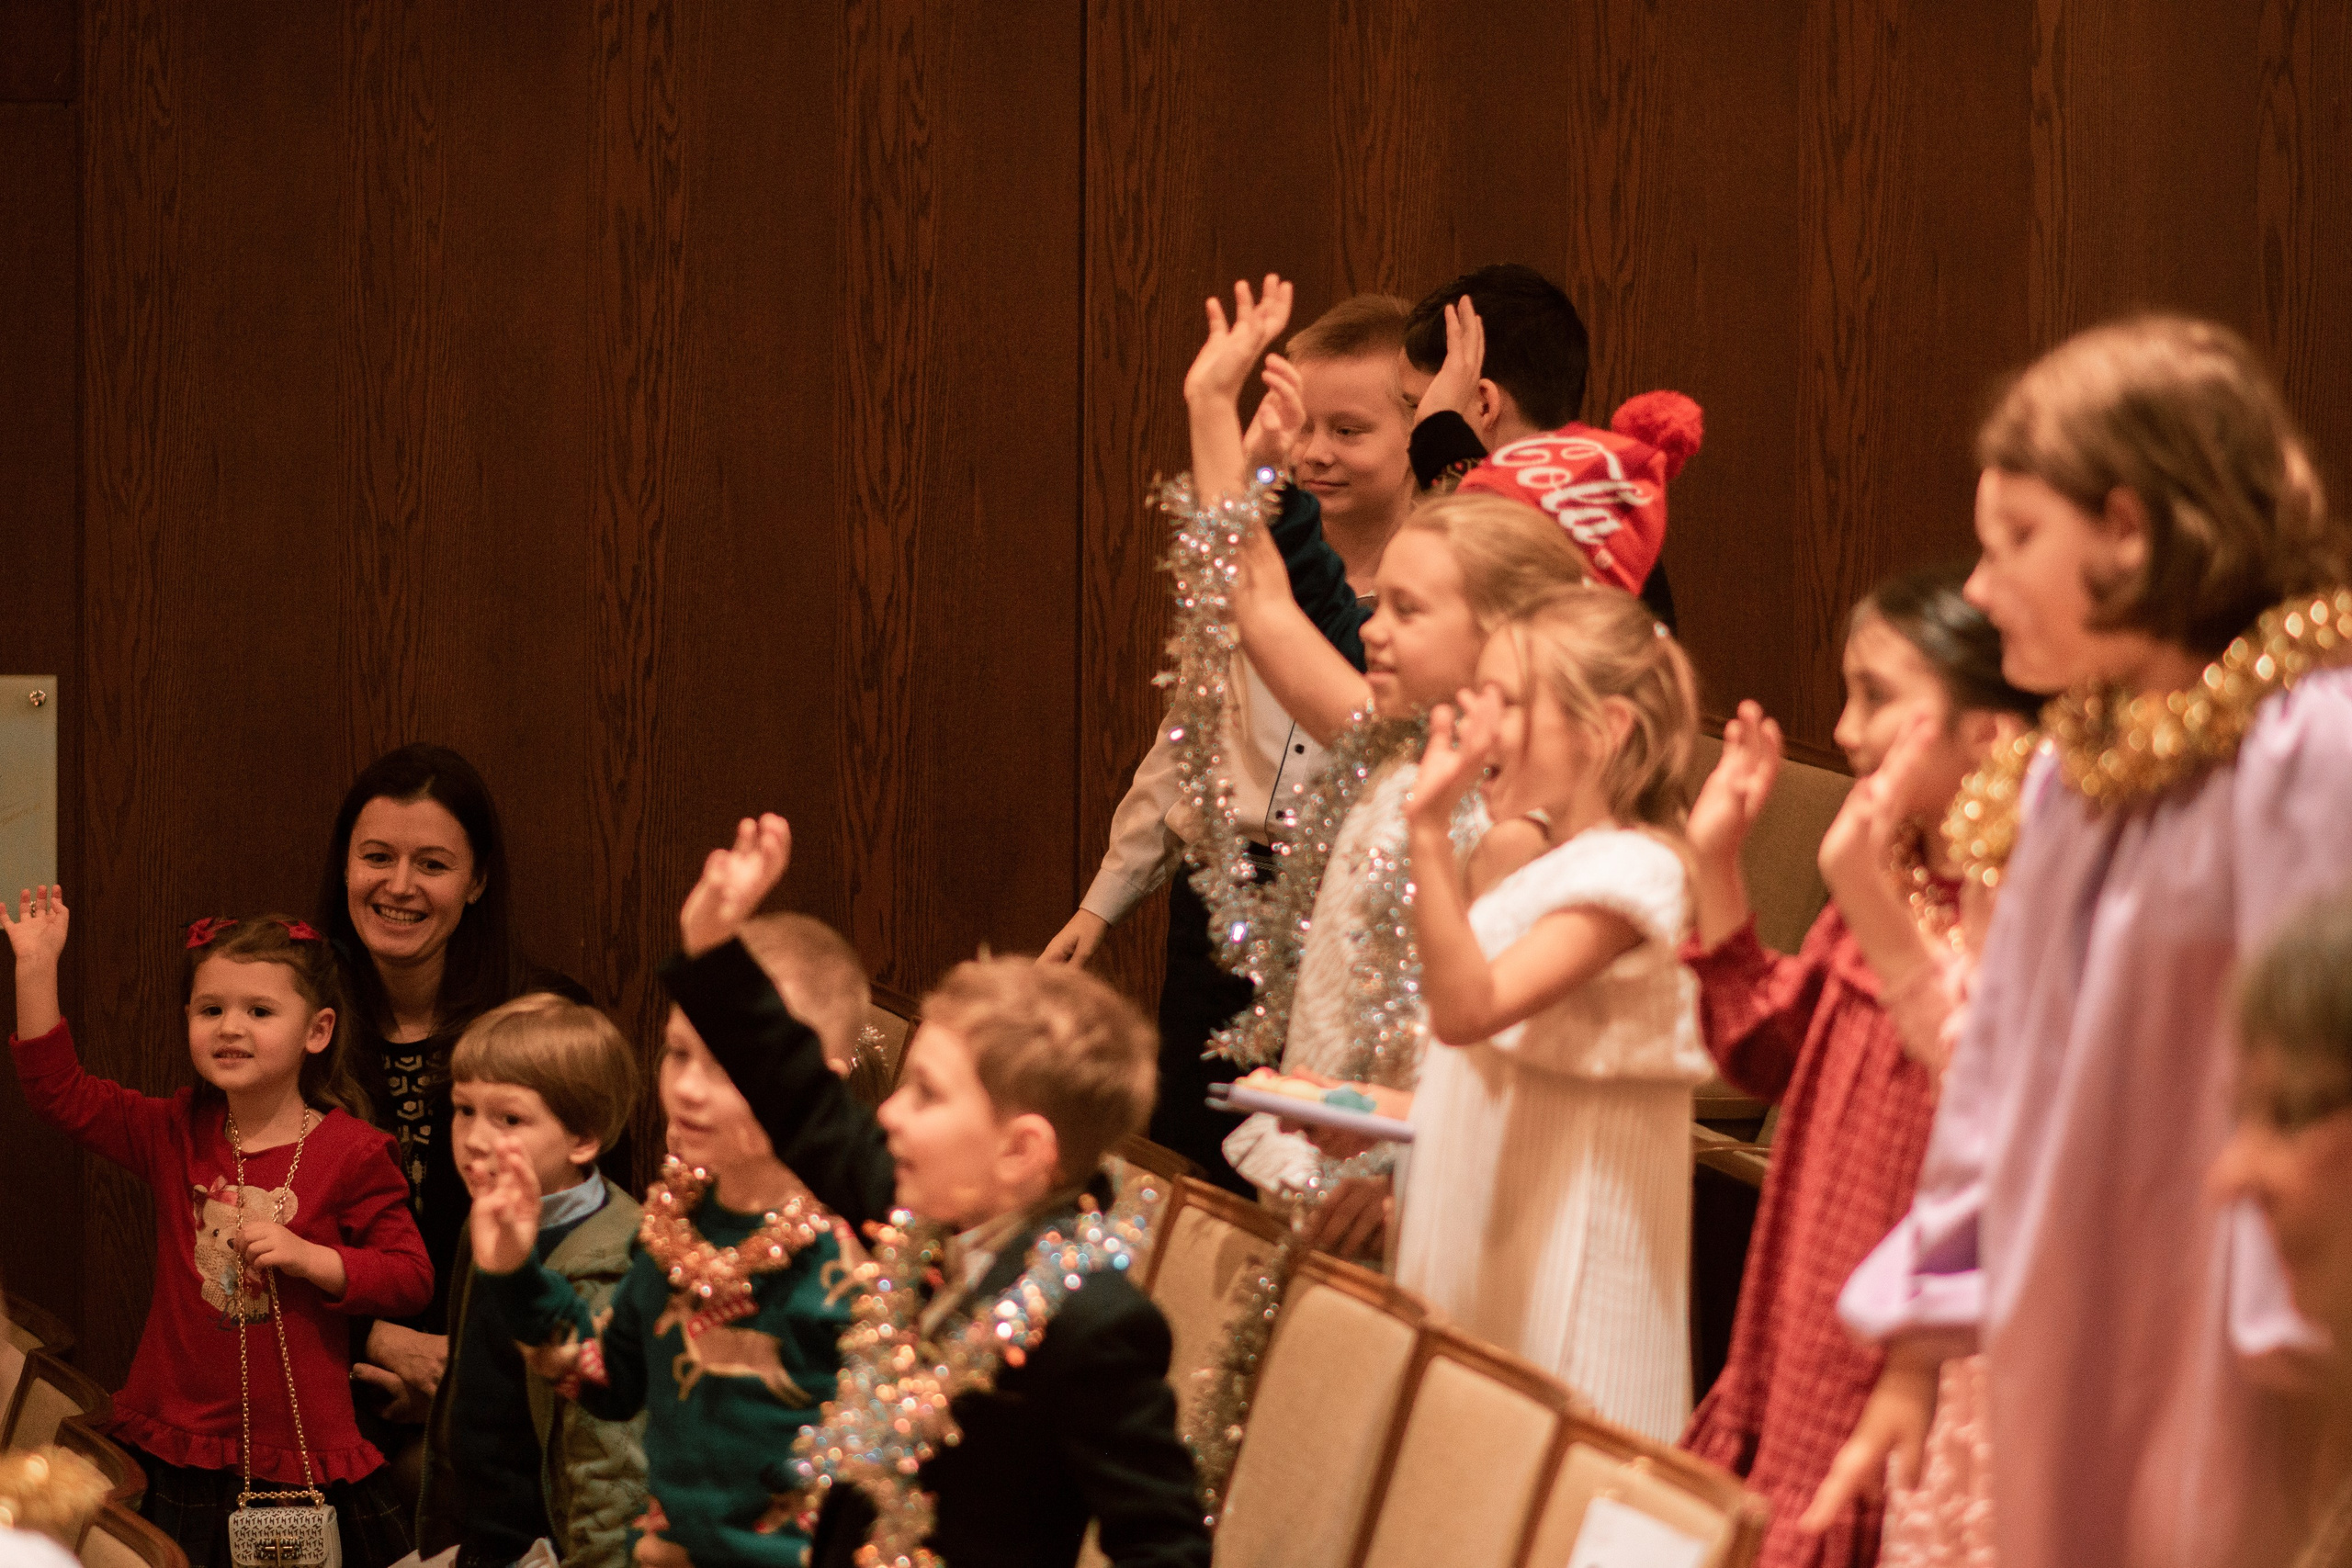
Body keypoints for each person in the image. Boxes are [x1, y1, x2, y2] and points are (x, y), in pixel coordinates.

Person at [1815, 316, 2352, 1568]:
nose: (1984, 584)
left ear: (2130, 528)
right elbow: (2000, 1067)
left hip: (2249, 1328)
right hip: (2085, 1306)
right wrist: (1918, 1340)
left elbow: (2321, 1058)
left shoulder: (2310, 744)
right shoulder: (2073, 776)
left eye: (2016, 541)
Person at [656, 815, 1211, 1568]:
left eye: (926, 1092)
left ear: (1021, 1153)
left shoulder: (1093, 1323)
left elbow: (1167, 1546)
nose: (888, 1110)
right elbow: (806, 1109)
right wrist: (716, 949)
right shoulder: (921, 1218)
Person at [1678, 568, 2038, 1567]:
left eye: (1878, 697)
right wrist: (1715, 866)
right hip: (1801, 1299)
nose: (1843, 729)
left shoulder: (2016, 906)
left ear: (1985, 732)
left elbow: (1998, 1100)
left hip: (1904, 1328)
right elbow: (1763, 1052)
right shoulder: (1891, 872)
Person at [1040, 294, 1417, 1193]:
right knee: (1200, 1160)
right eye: (1301, 426)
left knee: (1312, 1163)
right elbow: (1189, 738)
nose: (1315, 452)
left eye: (1348, 429)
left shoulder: (1423, 616)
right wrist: (1103, 900)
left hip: (1348, 905)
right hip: (1225, 904)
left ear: (1418, 433)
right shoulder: (1255, 573)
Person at [2, 891, 430, 1568]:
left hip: (300, 1458)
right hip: (172, 1445)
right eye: (211, 1010)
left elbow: (410, 1276)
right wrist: (34, 966)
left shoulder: (353, 1150)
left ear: (317, 1031)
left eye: (259, 1011)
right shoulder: (175, 1129)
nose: (231, 1026)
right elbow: (61, 1094)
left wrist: (313, 1257)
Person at [1387, 588, 1708, 1443]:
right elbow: (1486, 1056)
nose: (1475, 722)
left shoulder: (1638, 871)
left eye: (1506, 700)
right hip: (1490, 1236)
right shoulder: (1548, 860)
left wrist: (1425, 830)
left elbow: (1470, 1009)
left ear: (1600, 729)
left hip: (1572, 1260)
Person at [469, 913, 871, 1568]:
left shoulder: (855, 1259)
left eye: (725, 1064)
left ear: (811, 1082)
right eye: (679, 1052)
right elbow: (611, 1379)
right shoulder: (674, 1228)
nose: (685, 1087)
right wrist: (517, 1271)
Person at [315, 743, 586, 1445]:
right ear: (345, 865)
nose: (399, 885)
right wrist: (376, 1341)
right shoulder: (286, 1017)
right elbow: (235, 1222)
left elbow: (586, 1241)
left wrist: (464, 1376)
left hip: (514, 1390)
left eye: (432, 864)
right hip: (313, 1374)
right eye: (377, 856)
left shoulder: (545, 1021)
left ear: (476, 880)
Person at [416, 994, 647, 1568]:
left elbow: (612, 1464)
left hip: (550, 1543)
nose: (473, 1138)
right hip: (482, 1532)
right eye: (464, 1109)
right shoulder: (492, 1215)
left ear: (583, 1138)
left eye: (510, 1118)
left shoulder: (610, 1265)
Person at [1396, 264, 1678, 627]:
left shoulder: (1563, 539)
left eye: (1417, 408)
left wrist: (1440, 437)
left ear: (1484, 404)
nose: (1410, 436)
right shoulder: (1607, 514)